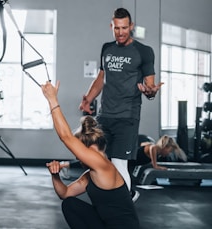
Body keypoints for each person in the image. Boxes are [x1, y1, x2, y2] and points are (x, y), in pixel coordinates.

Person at [79, 7, 164, 200]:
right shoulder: (106, 48)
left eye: (124, 28)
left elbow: (150, 86)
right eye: (116, 28)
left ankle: (125, 202)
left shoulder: (144, 51)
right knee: (98, 160)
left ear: (131, 26)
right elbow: (101, 77)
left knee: (119, 163)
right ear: (111, 26)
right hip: (104, 115)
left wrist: (150, 92)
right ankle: (119, 197)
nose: (120, 32)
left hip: (127, 116)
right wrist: (88, 98)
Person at [41, 81, 140, 229]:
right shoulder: (90, 175)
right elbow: (65, 193)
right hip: (106, 224)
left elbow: (66, 137)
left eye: (81, 151)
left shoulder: (103, 165)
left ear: (90, 148)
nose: (79, 156)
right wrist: (55, 175)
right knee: (70, 204)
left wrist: (52, 99)